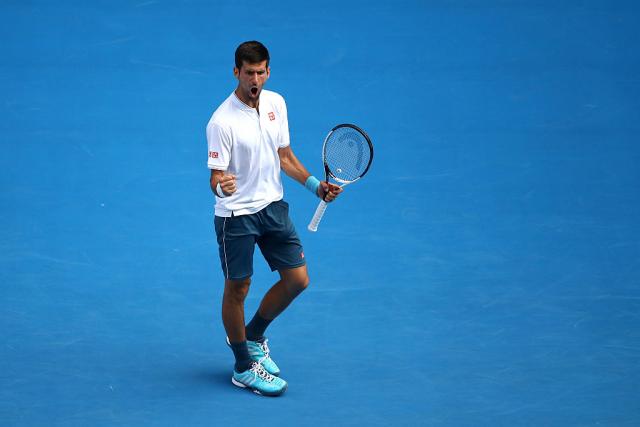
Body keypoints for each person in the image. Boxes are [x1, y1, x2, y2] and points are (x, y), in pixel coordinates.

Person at [206, 41, 342, 396]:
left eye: (260, 72)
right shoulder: (221, 121)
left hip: (272, 207)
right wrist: (222, 186)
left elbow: (285, 156)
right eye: (248, 72)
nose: (255, 79)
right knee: (238, 288)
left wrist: (315, 186)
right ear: (236, 72)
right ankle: (242, 367)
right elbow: (215, 178)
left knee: (297, 280)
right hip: (237, 215)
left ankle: (252, 336)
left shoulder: (276, 104)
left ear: (268, 72)